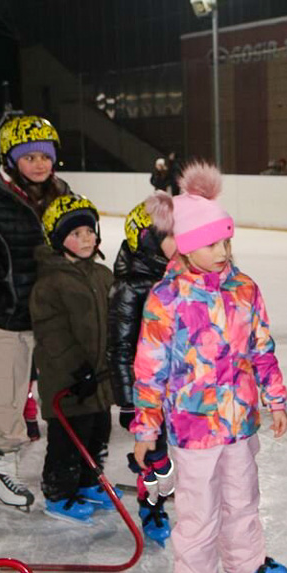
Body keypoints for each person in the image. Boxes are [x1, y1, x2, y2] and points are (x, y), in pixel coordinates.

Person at [131, 162, 287, 573]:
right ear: (184, 245)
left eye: (225, 242)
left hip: (239, 423)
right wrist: (146, 428)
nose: (222, 252)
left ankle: (247, 567)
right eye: (210, 244)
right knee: (198, 518)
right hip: (193, 428)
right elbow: (150, 370)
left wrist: (276, 399)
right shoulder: (165, 298)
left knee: (242, 506)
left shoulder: (244, 289)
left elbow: (262, 349)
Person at [0, 114, 70, 511]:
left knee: (51, 391)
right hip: (8, 314)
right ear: (10, 160)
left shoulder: (61, 195)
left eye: (46, 155)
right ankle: (1, 464)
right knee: (6, 396)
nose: (40, 164)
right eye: (29, 157)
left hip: (53, 314)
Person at [30, 195, 116, 523]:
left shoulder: (102, 275)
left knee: (98, 430)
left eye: (89, 232)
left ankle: (88, 482)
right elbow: (52, 335)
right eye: (75, 234)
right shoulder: (50, 283)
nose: (85, 239)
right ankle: (59, 492)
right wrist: (76, 369)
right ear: (57, 238)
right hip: (67, 381)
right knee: (69, 438)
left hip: (99, 379)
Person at [107, 196, 177, 545]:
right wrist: (128, 402)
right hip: (146, 392)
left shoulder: (180, 276)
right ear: (149, 240)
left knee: (173, 452)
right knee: (153, 454)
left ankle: (168, 490)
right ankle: (152, 506)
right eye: (171, 235)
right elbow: (119, 349)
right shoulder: (130, 286)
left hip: (180, 388)